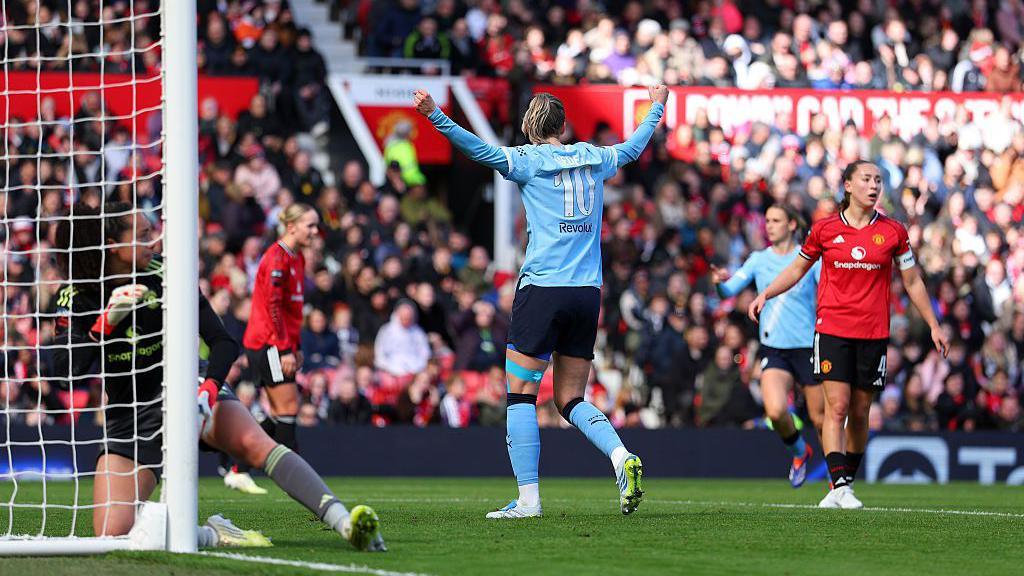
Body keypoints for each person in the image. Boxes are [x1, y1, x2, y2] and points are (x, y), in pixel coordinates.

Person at [51, 203, 384, 550]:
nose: (155, 242)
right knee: (111, 534)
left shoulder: (164, 274)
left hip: (183, 390)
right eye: (144, 236)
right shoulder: (77, 296)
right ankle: (214, 533)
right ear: (113, 245)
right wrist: (104, 324)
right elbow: (63, 375)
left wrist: (209, 387)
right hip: (128, 413)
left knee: (258, 446)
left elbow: (223, 342)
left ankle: (347, 524)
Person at [414, 84, 668, 518]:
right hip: (587, 294)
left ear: (532, 126)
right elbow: (633, 147)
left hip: (543, 290)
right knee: (570, 398)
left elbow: (478, 149)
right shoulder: (594, 157)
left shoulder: (527, 160)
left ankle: (528, 500)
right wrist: (657, 105)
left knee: (520, 397)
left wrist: (435, 114)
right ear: (564, 126)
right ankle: (620, 456)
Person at [748, 161, 949, 509]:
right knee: (836, 407)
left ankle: (842, 485)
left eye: (878, 180)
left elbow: (913, 280)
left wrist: (933, 323)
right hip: (832, 329)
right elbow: (797, 267)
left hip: (873, 333)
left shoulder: (893, 232)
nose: (874, 186)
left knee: (860, 412)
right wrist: (766, 293)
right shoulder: (824, 229)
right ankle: (839, 483)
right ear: (848, 186)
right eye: (866, 179)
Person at [711, 204, 823, 487]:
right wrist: (718, 282)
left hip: (808, 347)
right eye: (768, 221)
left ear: (792, 225)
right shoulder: (758, 260)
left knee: (821, 419)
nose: (769, 225)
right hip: (774, 349)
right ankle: (800, 452)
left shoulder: (810, 259)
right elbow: (728, 290)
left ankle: (839, 480)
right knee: (775, 411)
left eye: (776, 220)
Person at [228, 203, 317, 494]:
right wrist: (284, 349)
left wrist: (297, 345)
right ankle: (297, 478)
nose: (315, 232)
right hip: (268, 343)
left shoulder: (297, 257)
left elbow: (293, 310)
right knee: (288, 409)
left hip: (279, 343)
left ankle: (239, 466)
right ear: (291, 226)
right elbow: (274, 308)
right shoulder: (277, 259)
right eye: (310, 226)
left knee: (283, 412)